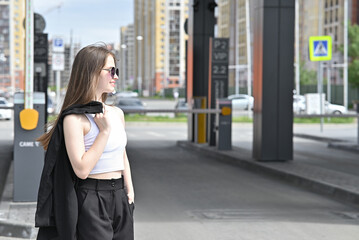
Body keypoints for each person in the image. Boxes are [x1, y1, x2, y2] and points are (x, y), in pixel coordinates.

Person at [35, 44, 135, 240]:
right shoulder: (74, 119)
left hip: (120, 196)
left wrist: (129, 191)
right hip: (92, 197)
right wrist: (103, 132)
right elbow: (81, 169)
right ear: (91, 73)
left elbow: (121, 154)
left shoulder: (117, 113)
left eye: (117, 71)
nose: (115, 76)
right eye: (110, 71)